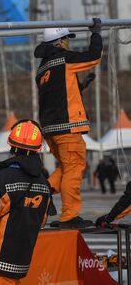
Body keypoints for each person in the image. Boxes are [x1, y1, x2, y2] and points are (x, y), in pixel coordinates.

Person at [34, 18, 103, 228]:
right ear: (59, 42)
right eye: (66, 39)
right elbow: (93, 57)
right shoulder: (64, 59)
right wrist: (96, 34)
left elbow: (58, 94)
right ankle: (69, 217)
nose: (68, 43)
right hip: (67, 127)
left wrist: (81, 87)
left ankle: (42, 193)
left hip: (51, 129)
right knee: (74, 168)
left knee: (67, 167)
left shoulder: (43, 67)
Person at [0, 120, 51, 285]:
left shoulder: (4, 178)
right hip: (21, 261)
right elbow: (41, 221)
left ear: (12, 147)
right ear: (37, 150)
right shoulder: (44, 184)